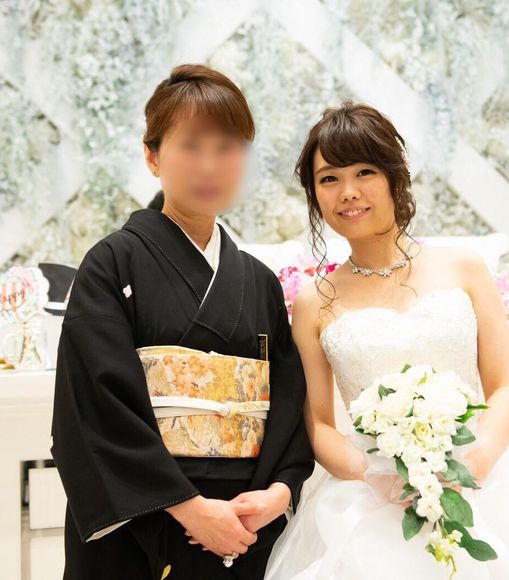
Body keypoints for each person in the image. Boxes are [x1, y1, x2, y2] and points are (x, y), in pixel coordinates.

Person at [264, 101, 509, 579]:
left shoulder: (464, 267)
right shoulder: (314, 302)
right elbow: (320, 425)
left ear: (394, 175)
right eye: (329, 179)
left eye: (364, 172)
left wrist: (473, 467)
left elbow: (503, 387)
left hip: (487, 479)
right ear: (314, 194)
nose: (348, 192)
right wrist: (378, 477)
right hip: (371, 497)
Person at [50, 63, 314, 580]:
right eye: (190, 146)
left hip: (242, 521)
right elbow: (93, 406)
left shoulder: (259, 281)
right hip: (144, 520)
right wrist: (190, 509)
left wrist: (278, 493)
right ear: (152, 156)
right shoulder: (111, 264)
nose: (209, 166)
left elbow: (288, 405)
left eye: (227, 147)